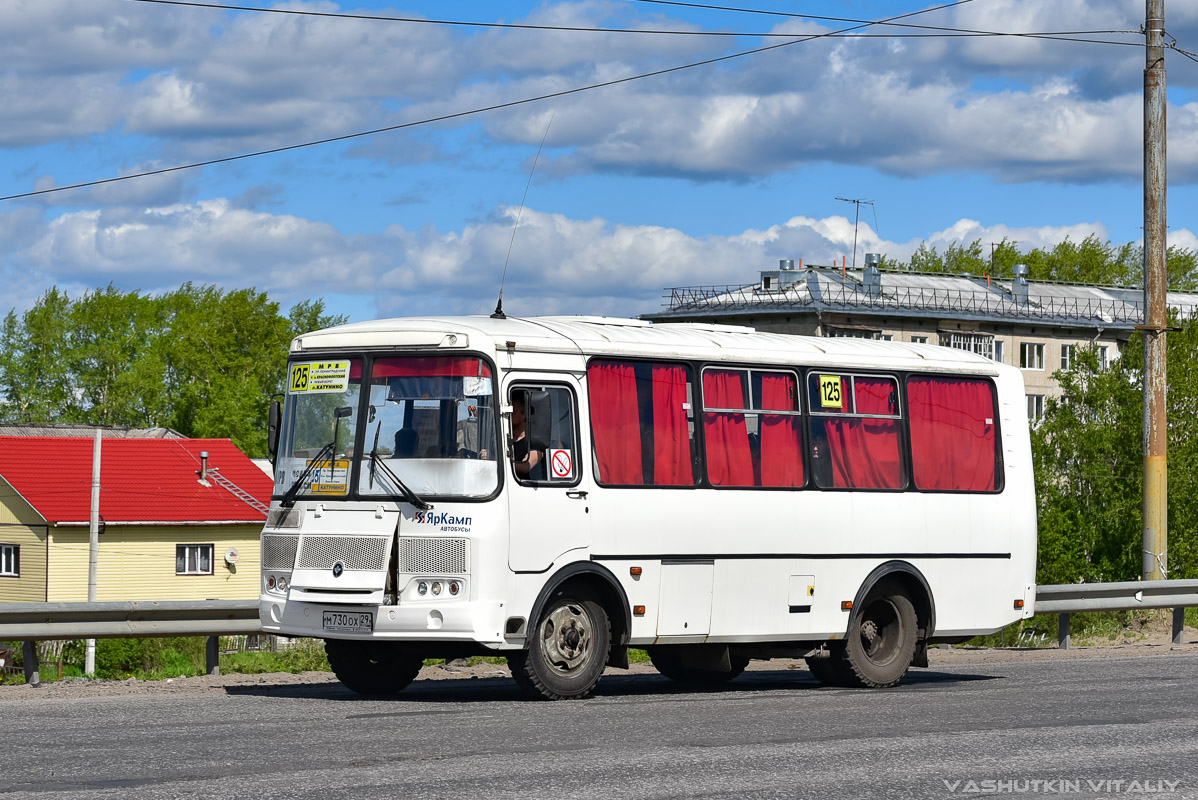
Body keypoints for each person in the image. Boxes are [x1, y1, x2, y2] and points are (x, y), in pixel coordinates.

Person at [511, 393, 543, 479]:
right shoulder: (504, 439)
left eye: (512, 410)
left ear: (524, 414)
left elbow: (526, 466)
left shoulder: (535, 441)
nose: (509, 413)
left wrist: (500, 463)